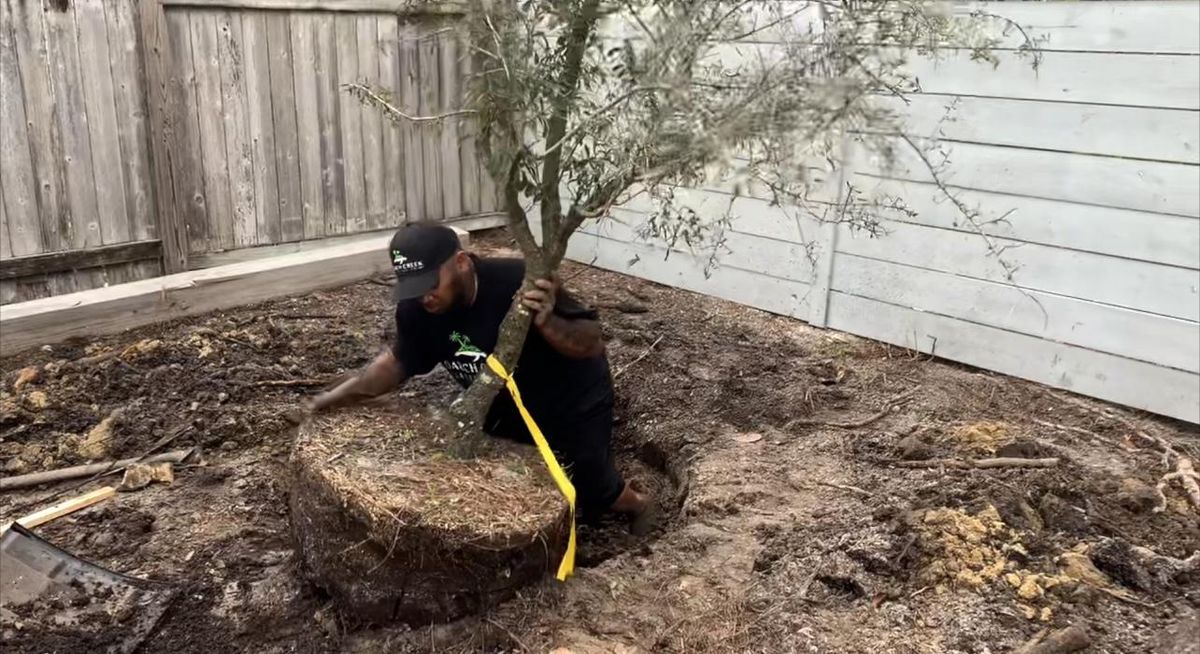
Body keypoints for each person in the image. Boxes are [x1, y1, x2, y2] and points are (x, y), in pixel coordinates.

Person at [308, 222, 654, 532]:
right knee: (519, 477)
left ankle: (637, 503)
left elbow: (590, 343)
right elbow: (397, 363)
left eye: (430, 283)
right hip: (502, 404)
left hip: (571, 398)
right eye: (413, 287)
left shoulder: (519, 282)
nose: (424, 295)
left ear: (461, 262)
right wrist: (336, 397)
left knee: (589, 482)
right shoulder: (418, 308)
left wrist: (548, 323)